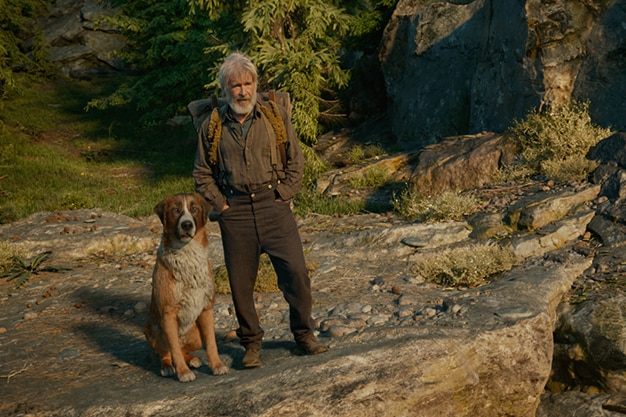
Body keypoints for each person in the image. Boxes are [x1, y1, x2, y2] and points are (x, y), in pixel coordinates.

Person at [193, 52, 328, 368]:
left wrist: (284, 194)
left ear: (256, 84)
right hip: (235, 213)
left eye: (247, 83)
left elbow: (296, 161)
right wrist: (221, 205)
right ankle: (251, 344)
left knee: (296, 274)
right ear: (225, 91)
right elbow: (201, 172)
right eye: (235, 85)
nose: (242, 91)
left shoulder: (275, 118)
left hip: (274, 208)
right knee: (241, 286)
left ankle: (304, 335)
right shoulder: (212, 126)